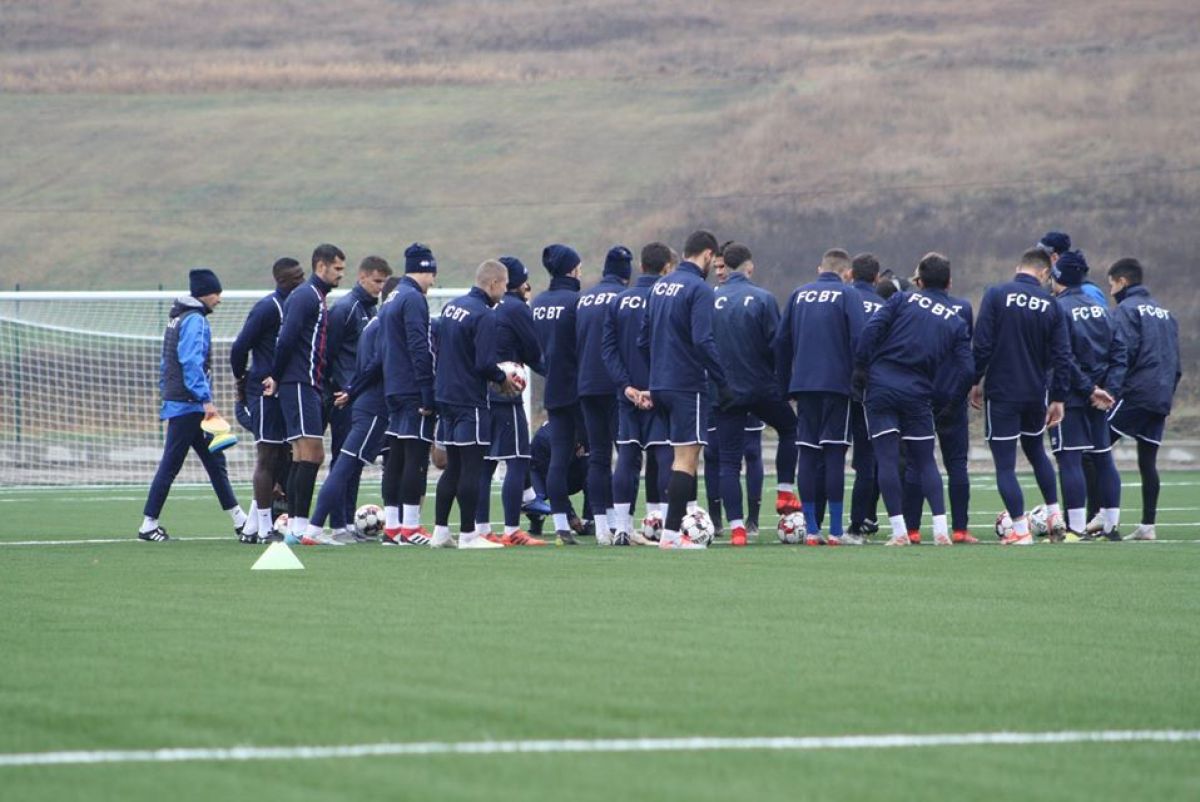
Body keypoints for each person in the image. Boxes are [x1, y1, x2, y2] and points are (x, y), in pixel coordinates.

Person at [970, 248, 1104, 545]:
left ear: (1019, 267)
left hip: (1003, 393)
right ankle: (1054, 515)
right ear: (1044, 273)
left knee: (1005, 464)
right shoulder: (1051, 304)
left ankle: (1020, 530)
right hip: (1036, 393)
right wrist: (1058, 398)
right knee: (1037, 452)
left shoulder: (996, 295)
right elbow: (1062, 355)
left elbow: (982, 344)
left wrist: (975, 380)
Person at [855, 253, 973, 546]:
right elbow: (967, 370)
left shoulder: (901, 300)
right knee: (925, 460)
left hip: (882, 386)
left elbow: (871, 330)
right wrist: (952, 403)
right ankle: (941, 529)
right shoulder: (956, 321)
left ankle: (899, 532)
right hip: (918, 391)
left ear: (919, 281)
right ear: (949, 282)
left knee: (887, 458)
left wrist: (861, 369)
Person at [138, 269, 246, 541]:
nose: (219, 299)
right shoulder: (195, 320)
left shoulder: (177, 318)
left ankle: (240, 520)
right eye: (216, 293)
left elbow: (168, 362)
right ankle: (148, 524)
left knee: (215, 461)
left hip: (185, 402)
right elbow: (191, 361)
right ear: (204, 294)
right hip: (189, 405)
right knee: (172, 464)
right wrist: (205, 399)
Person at [638, 229, 729, 550]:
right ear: (708, 255)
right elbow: (703, 340)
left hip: (660, 383)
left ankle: (667, 530)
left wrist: (657, 371)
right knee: (686, 461)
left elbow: (642, 340)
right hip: (687, 385)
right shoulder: (699, 289)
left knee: (672, 457)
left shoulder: (660, 286)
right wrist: (722, 380)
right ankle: (672, 536)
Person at [774, 248, 866, 545]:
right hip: (838, 386)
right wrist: (860, 379)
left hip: (803, 385)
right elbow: (860, 339)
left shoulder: (799, 294)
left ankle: (812, 530)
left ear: (819, 269)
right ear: (847, 273)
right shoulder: (848, 294)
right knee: (834, 455)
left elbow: (781, 341)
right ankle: (836, 531)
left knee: (808, 455)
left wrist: (784, 385)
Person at [712, 242, 800, 547]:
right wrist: (784, 385)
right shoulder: (763, 298)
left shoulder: (709, 299)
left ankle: (737, 530)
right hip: (761, 387)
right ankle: (785, 491)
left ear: (725, 266)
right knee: (790, 428)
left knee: (728, 462)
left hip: (725, 392)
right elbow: (778, 345)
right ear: (749, 267)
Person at [262, 243, 347, 545]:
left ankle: (297, 528)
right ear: (321, 266)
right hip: (299, 382)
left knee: (303, 454)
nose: (341, 274)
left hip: (304, 382)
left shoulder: (315, 297)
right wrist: (276, 375)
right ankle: (301, 528)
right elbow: (285, 338)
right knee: (311, 453)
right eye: (337, 268)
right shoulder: (305, 296)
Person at [432, 260, 520, 548]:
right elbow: (484, 363)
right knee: (472, 468)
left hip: (445, 397)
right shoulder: (485, 315)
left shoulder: (452, 307)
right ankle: (469, 535)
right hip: (469, 400)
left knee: (453, 467)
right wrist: (502, 378)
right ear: (493, 283)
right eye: (504, 285)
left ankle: (440, 532)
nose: (505, 292)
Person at [309, 275, 402, 542]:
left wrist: (353, 391)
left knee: (350, 465)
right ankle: (315, 528)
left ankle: (339, 525)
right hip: (373, 408)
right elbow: (375, 366)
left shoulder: (373, 323)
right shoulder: (383, 325)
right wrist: (351, 390)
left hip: (367, 405)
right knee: (345, 466)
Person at [1046, 252, 1123, 541]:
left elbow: (1063, 357)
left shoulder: (1058, 309)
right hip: (1101, 399)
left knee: (1069, 459)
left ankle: (1076, 528)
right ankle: (1111, 527)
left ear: (1058, 278)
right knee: (1103, 458)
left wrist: (1089, 389)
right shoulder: (1102, 308)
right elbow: (1120, 354)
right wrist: (1108, 391)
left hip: (1071, 396)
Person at [602, 241, 675, 546]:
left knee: (627, 457)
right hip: (660, 392)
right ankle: (668, 530)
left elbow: (608, 350)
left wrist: (627, 387)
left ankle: (622, 528)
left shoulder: (619, 301)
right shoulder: (667, 299)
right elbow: (671, 348)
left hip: (628, 395)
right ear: (667, 268)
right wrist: (654, 388)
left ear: (641, 267)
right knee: (665, 456)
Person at [228, 256, 305, 543]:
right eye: (296, 277)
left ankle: (251, 528)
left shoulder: (296, 305)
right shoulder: (268, 307)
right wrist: (242, 378)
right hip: (264, 391)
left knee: (284, 456)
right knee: (268, 456)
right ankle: (263, 530)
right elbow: (240, 347)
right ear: (282, 280)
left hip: (286, 391)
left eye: (303, 276)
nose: (302, 281)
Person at [1105, 257, 1182, 541]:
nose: (1111, 291)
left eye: (1112, 285)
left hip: (1136, 393)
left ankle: (1101, 520)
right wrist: (1167, 391)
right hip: (1161, 396)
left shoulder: (1127, 310)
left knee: (1094, 450)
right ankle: (1148, 526)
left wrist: (1111, 390)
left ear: (1122, 282)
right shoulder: (1166, 313)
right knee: (1147, 462)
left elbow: (1122, 353)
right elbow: (1175, 361)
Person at [900, 260, 978, 543]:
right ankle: (960, 529)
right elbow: (965, 357)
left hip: (918, 393)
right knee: (957, 464)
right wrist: (961, 396)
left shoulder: (910, 307)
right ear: (949, 282)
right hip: (952, 394)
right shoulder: (963, 308)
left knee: (916, 462)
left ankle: (912, 529)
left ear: (919, 282)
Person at [473, 256, 548, 546]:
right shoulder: (516, 308)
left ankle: (481, 529)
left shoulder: (481, 306)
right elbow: (534, 351)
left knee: (485, 465)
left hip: (480, 394)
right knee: (517, 460)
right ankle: (512, 530)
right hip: (506, 394)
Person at [323, 255, 392, 525]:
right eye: (377, 281)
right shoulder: (345, 308)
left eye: (384, 283)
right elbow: (328, 353)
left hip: (362, 396)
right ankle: (337, 523)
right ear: (362, 277)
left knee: (355, 462)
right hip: (345, 397)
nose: (380, 287)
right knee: (343, 461)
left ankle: (348, 522)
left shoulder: (372, 310)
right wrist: (337, 389)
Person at [379, 244, 439, 546]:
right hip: (412, 388)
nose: (433, 282)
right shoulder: (414, 298)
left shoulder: (392, 296)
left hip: (393, 386)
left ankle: (392, 527)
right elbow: (419, 345)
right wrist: (428, 391)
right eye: (432, 275)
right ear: (425, 270)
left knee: (396, 458)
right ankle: (411, 527)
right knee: (416, 458)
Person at [575, 246, 632, 545]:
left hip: (587, 385)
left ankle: (600, 526)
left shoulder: (584, 299)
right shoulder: (625, 298)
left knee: (598, 456)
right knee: (626, 454)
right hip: (617, 386)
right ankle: (623, 525)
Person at [531, 244, 585, 545]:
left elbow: (534, 350)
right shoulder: (576, 301)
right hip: (581, 389)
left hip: (553, 389)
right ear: (572, 269)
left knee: (559, 459)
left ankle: (562, 526)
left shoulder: (538, 302)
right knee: (597, 454)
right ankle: (608, 524)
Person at [843, 252, 885, 539]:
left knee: (827, 454)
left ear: (850, 274)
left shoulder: (841, 299)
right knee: (867, 460)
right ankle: (858, 524)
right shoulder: (885, 306)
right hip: (871, 390)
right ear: (877, 278)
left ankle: (817, 526)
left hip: (835, 387)